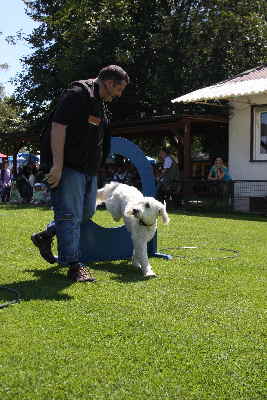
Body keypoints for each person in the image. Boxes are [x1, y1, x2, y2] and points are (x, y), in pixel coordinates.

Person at [31, 65, 129, 282]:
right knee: (69, 215)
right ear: (110, 83)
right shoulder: (77, 94)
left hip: (88, 170)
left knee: (86, 213)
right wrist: (57, 166)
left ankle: (46, 235)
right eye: (120, 89)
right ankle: (74, 266)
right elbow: (58, 127)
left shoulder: (100, 103)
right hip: (68, 167)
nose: (120, 94)